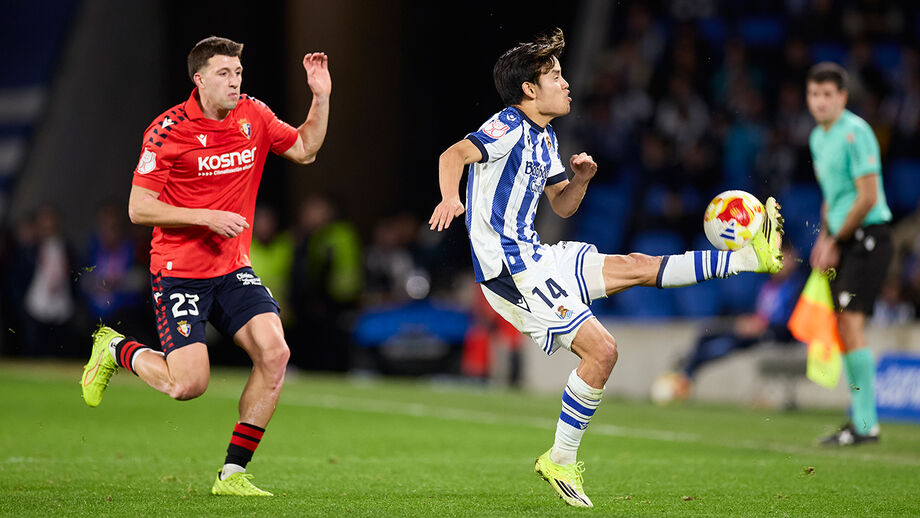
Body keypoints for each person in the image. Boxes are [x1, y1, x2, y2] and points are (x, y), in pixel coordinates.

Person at [428, 28, 784, 508]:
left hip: (536, 255)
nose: (566, 83)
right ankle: (560, 457)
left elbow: (564, 204)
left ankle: (746, 258)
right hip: (511, 271)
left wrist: (579, 179)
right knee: (603, 351)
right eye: (555, 76)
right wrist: (452, 196)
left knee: (638, 265)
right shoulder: (509, 123)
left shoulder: (545, 135)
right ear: (529, 90)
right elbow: (454, 154)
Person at [79, 36, 331, 496]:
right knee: (187, 386)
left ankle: (232, 474)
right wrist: (206, 217)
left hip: (232, 268)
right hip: (179, 270)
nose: (235, 81)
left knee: (275, 354)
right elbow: (139, 208)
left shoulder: (253, 114)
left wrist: (321, 95)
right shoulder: (167, 130)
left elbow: (305, 150)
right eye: (223, 74)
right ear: (198, 79)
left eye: (237, 73)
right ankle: (115, 349)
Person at [805, 62, 893, 446]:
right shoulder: (816, 138)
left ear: (842, 97)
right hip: (843, 239)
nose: (820, 102)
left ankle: (865, 424)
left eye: (827, 94)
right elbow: (832, 199)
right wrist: (824, 239)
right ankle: (861, 420)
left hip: (868, 237)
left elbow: (868, 196)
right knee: (844, 326)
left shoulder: (857, 132)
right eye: (813, 94)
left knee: (851, 325)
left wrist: (835, 240)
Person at [651, 244, 806, 403]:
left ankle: (686, 374)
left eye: (784, 258)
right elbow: (759, 311)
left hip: (776, 334)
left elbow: (795, 323)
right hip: (758, 329)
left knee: (725, 344)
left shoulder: (797, 288)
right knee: (707, 332)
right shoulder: (766, 284)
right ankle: (687, 369)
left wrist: (764, 327)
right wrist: (748, 320)